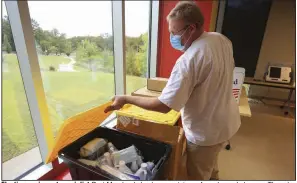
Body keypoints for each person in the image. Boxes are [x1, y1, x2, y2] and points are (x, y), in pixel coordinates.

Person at [105, 1, 241, 180]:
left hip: (206, 132)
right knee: (211, 166)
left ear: (191, 28)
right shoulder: (221, 39)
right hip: (227, 122)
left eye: (174, 32)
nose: (172, 38)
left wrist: (126, 99)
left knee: (198, 174)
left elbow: (164, 106)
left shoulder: (189, 59)